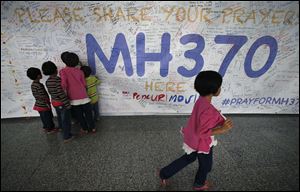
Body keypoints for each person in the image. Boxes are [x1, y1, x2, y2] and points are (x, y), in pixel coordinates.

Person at [158, 71, 233, 191]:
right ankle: (199, 184)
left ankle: (164, 173)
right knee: (206, 166)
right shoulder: (207, 108)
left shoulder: (201, 100)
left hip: (191, 138)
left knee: (189, 158)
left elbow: (202, 118)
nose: (220, 88)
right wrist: (222, 129)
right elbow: (202, 133)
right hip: (201, 143)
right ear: (215, 90)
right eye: (219, 86)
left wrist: (214, 115)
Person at [60, 52, 96, 133]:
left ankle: (85, 129)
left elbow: (64, 85)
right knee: (88, 114)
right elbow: (84, 84)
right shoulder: (80, 71)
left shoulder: (63, 71)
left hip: (73, 99)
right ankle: (93, 128)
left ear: (65, 61)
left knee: (79, 116)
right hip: (84, 96)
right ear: (77, 62)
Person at [41, 61, 73, 143]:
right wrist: (67, 104)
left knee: (60, 117)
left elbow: (52, 92)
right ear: (56, 70)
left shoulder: (47, 81)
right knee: (65, 120)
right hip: (61, 103)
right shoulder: (58, 80)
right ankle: (67, 136)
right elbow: (61, 93)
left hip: (54, 102)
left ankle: (61, 128)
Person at [26, 67, 57, 134]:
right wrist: (47, 103)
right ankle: (50, 129)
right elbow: (43, 95)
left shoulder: (33, 85)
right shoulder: (39, 85)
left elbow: (36, 95)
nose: (41, 74)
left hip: (38, 104)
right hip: (44, 105)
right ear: (38, 76)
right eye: (40, 73)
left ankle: (45, 127)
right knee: (48, 117)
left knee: (43, 117)